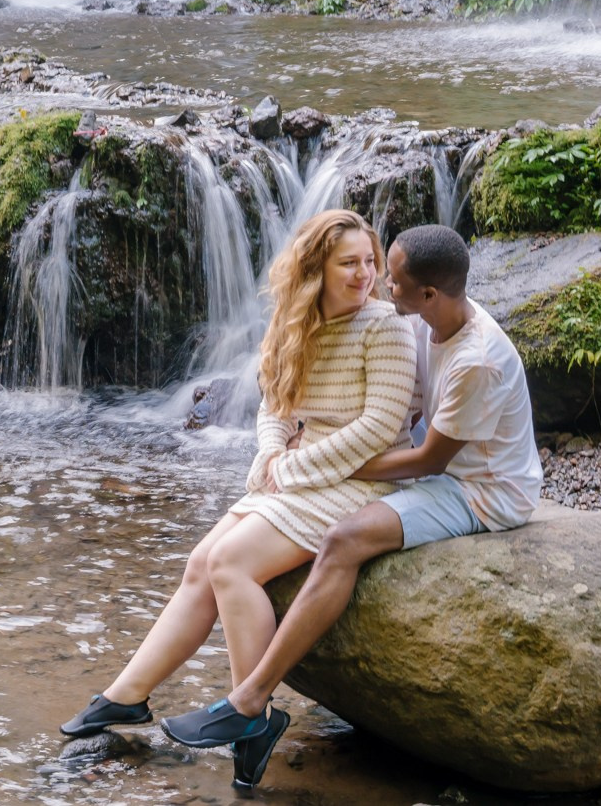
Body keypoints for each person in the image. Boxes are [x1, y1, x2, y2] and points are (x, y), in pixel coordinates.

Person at [157, 222, 543, 791]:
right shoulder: (430, 322)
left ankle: (250, 700)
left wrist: (333, 464)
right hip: (448, 471)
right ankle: (249, 708)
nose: (381, 284)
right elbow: (407, 413)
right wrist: (310, 443)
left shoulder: (476, 359)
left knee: (344, 541)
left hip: (483, 491)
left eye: (394, 279)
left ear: (428, 294)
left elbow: (429, 459)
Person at [58, 209, 418, 793]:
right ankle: (128, 696)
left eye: (369, 262)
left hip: (362, 480)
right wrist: (271, 453)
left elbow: (380, 426)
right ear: (315, 270)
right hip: (303, 473)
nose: (365, 275)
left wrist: (291, 467)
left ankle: (251, 712)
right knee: (201, 562)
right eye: (348, 264)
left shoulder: (385, 327)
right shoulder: (294, 321)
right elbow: (275, 403)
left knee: (230, 563)